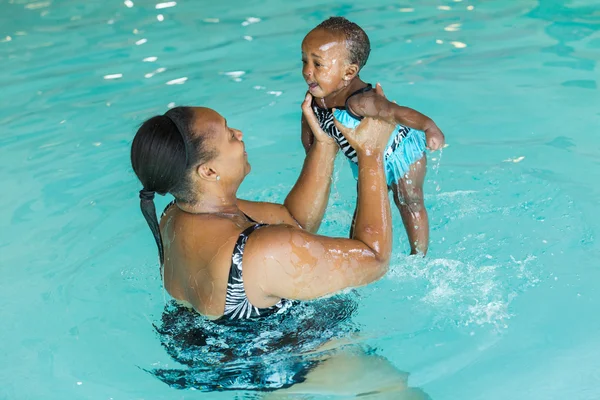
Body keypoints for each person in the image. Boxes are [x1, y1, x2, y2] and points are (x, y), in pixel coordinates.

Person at [300, 16, 446, 255]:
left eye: (318, 65)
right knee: (364, 210)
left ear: (349, 72)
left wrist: (429, 127)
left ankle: (419, 256)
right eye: (304, 61)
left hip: (400, 153)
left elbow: (395, 112)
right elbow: (309, 135)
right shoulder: (316, 99)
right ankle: (359, 256)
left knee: (410, 201)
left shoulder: (361, 101)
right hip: (368, 161)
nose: (307, 72)